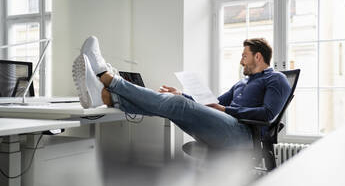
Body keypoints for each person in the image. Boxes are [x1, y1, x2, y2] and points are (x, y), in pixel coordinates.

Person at [72, 36, 290, 151]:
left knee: (178, 106)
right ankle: (104, 96)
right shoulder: (242, 83)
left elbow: (267, 114)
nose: (241, 60)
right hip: (226, 129)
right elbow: (212, 104)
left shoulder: (276, 79)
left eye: (245, 55)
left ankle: (106, 77)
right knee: (177, 106)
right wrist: (182, 94)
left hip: (244, 137)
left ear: (258, 57)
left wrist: (225, 109)